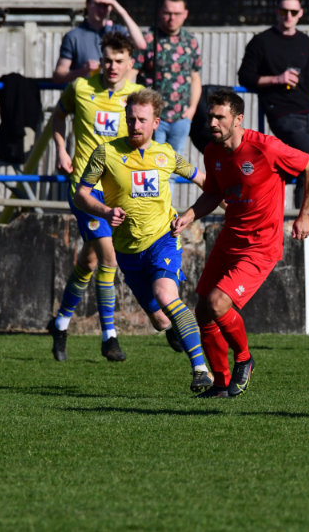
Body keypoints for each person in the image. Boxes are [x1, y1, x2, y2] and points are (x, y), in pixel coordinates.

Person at [171, 89, 309, 398]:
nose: (212, 122)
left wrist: (305, 214)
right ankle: (219, 382)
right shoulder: (212, 152)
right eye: (210, 116)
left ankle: (244, 358)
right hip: (230, 238)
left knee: (217, 302)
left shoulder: (265, 148)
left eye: (219, 117)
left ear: (238, 119)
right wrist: (189, 215)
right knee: (203, 311)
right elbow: (214, 193)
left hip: (261, 245)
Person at [73, 88, 213, 393]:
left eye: (142, 120)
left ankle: (201, 369)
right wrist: (105, 210)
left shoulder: (167, 155)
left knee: (166, 294)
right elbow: (81, 195)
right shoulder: (105, 153)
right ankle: (174, 327)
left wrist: (194, 214)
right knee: (161, 321)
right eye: (131, 118)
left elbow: (208, 184)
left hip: (163, 239)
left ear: (155, 122)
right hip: (127, 250)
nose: (135, 125)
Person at [48, 32, 143, 363]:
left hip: (117, 188)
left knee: (88, 261)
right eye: (107, 60)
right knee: (109, 258)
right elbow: (58, 116)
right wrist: (61, 149)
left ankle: (60, 323)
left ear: (130, 63)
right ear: (99, 59)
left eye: (120, 61)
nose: (113, 66)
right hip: (86, 189)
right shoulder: (80, 88)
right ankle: (109, 336)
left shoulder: (135, 96)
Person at [237, 0, 309, 208]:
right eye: (285, 11)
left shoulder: (306, 41)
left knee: (305, 167)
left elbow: (307, 77)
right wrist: (277, 79)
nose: (289, 16)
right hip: (282, 112)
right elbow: (245, 77)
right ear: (277, 11)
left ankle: (301, 217)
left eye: (293, 12)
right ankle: (293, 206)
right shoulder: (262, 41)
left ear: (301, 13)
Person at [131, 0, 202, 157]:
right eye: (167, 13)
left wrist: (191, 110)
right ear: (159, 13)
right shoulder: (147, 39)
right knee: (151, 163)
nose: (172, 18)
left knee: (172, 166)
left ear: (185, 14)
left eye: (177, 14)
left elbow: (195, 77)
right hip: (153, 118)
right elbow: (131, 74)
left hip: (181, 118)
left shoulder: (190, 41)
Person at [52, 0, 147, 84]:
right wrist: (82, 71)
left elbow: (141, 44)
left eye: (106, 5)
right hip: (86, 96)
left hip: (113, 96)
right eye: (97, 4)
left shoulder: (117, 32)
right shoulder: (73, 36)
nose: (101, 10)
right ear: (88, 4)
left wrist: (119, 9)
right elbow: (58, 77)